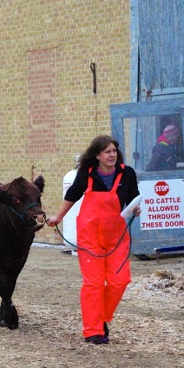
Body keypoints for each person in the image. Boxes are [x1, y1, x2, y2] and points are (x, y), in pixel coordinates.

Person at [47, 135, 141, 345]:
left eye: (114, 151)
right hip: (90, 237)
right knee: (94, 283)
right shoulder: (87, 174)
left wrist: (136, 209)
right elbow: (72, 195)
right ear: (97, 155)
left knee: (120, 281)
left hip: (116, 237)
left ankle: (102, 318)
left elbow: (134, 197)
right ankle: (93, 330)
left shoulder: (127, 173)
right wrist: (58, 217)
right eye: (107, 151)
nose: (112, 155)